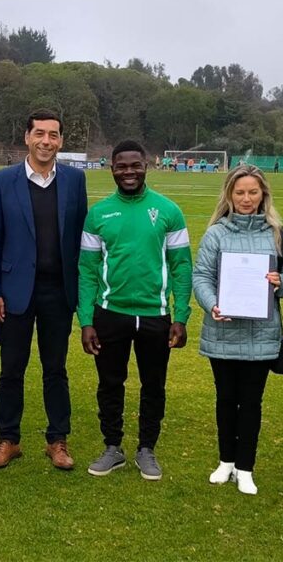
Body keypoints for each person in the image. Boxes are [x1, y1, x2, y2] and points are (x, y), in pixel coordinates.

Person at [79, 141, 192, 481]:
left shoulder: (168, 210)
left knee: (153, 384)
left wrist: (181, 316)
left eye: (135, 165)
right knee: (110, 383)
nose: (128, 172)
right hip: (110, 313)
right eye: (121, 166)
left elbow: (181, 267)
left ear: (147, 166)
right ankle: (112, 447)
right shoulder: (98, 214)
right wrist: (85, 320)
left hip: (156, 316)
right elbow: (86, 271)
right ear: (111, 168)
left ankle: (146, 448)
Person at [0, 109, 88, 470]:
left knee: (55, 368)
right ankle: (8, 440)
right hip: (13, 292)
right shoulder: (3, 180)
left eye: (53, 135)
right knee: (11, 368)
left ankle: (58, 440)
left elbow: (78, 240)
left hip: (58, 291)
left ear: (61, 141)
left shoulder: (74, 180)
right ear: (26, 137)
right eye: (39, 133)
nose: (46, 141)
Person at [192, 164, 283, 495]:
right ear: (229, 195)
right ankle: (225, 461)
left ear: (263, 193)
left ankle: (245, 467)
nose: (246, 198)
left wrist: (281, 283)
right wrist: (212, 304)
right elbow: (201, 277)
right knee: (226, 399)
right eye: (240, 192)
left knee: (251, 402)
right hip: (222, 332)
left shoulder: (278, 233)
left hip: (262, 334)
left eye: (253, 192)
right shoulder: (216, 233)